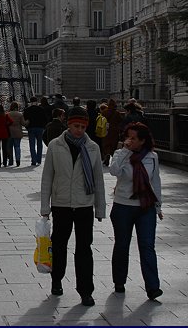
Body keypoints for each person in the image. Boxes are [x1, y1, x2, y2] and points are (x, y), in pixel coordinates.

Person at [40, 106, 106, 307]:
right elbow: (47, 177)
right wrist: (45, 207)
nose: (79, 130)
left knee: (84, 247)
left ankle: (86, 291)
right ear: (68, 124)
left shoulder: (93, 147)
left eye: (83, 127)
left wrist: (100, 208)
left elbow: (98, 179)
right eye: (76, 126)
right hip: (61, 204)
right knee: (59, 245)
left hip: (84, 204)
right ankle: (57, 279)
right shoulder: (55, 145)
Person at [108, 121, 164, 300]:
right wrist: (125, 151)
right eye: (127, 137)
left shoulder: (152, 157)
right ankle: (119, 281)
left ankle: (153, 287)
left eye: (133, 138)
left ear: (142, 141)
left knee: (147, 246)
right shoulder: (120, 154)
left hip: (145, 207)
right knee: (122, 245)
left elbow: (155, 181)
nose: (129, 141)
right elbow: (114, 171)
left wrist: (158, 205)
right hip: (123, 206)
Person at [23, 96, 48, 166]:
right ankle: (39, 160)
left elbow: (25, 121)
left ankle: (33, 160)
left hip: (31, 128)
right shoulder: (41, 109)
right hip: (40, 128)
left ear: (30, 102)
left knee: (32, 144)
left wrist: (27, 127)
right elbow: (45, 119)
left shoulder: (27, 110)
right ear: (36, 102)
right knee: (40, 144)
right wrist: (43, 127)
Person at [7, 101, 25, 167]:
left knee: (10, 147)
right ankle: (18, 161)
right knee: (17, 147)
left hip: (10, 133)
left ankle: (11, 161)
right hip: (18, 133)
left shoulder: (8, 114)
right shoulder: (20, 114)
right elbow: (23, 123)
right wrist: (28, 121)